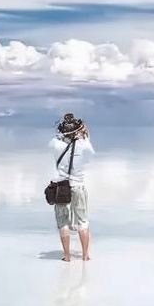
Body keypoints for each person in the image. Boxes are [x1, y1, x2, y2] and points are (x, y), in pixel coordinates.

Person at [50, 112, 94, 262]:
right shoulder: (85, 145)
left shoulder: (55, 144)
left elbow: (56, 138)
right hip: (78, 186)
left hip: (61, 187)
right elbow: (89, 155)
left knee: (63, 223)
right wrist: (85, 134)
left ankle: (67, 256)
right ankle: (85, 255)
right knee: (83, 222)